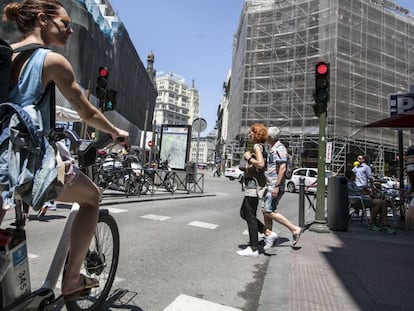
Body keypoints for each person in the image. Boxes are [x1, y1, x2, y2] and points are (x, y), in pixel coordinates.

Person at [1, 0, 129, 301]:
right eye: (65, 23)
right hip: (22, 163)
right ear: (43, 20)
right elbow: (84, 111)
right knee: (92, 198)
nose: (71, 29)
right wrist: (115, 131)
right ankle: (71, 281)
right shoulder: (51, 60)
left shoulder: (8, 53)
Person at [261, 127, 302, 249]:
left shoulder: (280, 148)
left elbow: (282, 168)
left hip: (275, 184)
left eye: (267, 136)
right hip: (271, 183)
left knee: (269, 211)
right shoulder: (273, 148)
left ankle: (294, 229)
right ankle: (269, 236)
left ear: (270, 137)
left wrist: (277, 186)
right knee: (265, 211)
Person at [237, 123, 268, 257]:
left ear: (256, 135)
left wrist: (249, 158)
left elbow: (261, 164)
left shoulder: (256, 146)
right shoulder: (260, 146)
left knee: (249, 215)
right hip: (252, 185)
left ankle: (253, 247)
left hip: (253, 187)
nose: (249, 134)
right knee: (244, 212)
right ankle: (267, 233)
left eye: (251, 132)